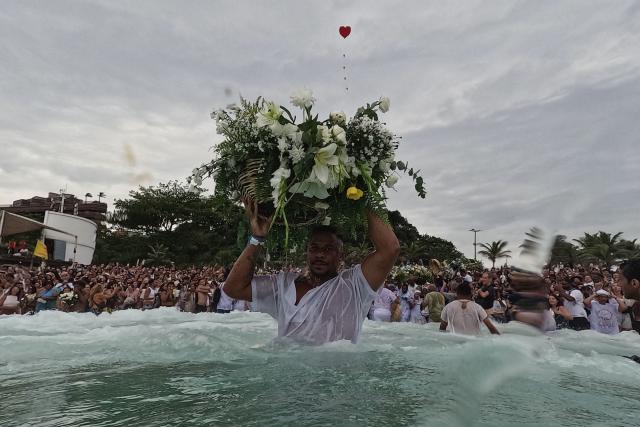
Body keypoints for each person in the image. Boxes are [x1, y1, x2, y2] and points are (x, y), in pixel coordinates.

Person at [224, 197, 400, 345]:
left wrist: (360, 194)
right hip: (290, 379)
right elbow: (233, 288)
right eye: (314, 248)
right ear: (307, 251)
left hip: (337, 380)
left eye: (329, 249)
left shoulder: (355, 286)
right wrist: (257, 238)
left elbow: (390, 248)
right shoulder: (283, 285)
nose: (320, 254)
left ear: (340, 254)